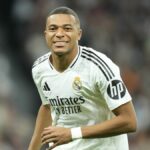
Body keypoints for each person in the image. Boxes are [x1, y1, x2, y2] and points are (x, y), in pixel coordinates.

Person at [28, 6, 137, 150]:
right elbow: (47, 106)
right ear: (46, 34)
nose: (59, 34)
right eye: (53, 28)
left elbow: (129, 121)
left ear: (79, 34)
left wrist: (72, 133)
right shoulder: (39, 68)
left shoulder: (98, 67)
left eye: (67, 28)